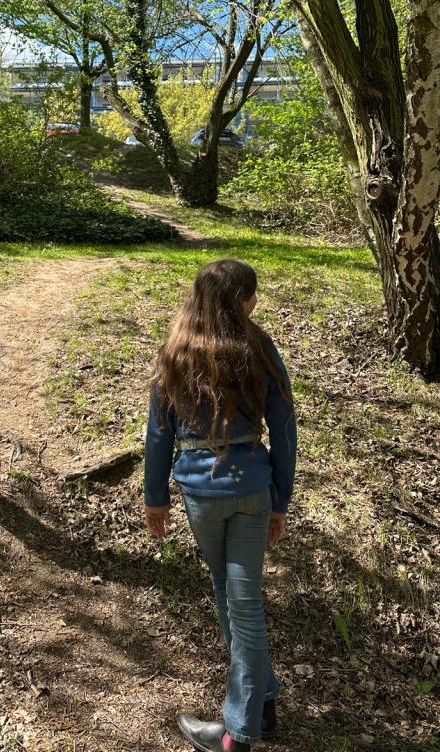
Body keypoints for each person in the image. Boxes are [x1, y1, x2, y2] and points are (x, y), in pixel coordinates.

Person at [143, 258, 297, 752]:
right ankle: (262, 704)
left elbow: (157, 435)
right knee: (241, 601)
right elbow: (285, 429)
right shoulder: (260, 347)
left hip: (199, 493)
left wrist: (156, 497)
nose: (256, 304)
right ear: (241, 300)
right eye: (252, 296)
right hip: (252, 490)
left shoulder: (176, 349)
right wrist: (281, 499)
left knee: (236, 600)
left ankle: (237, 733)